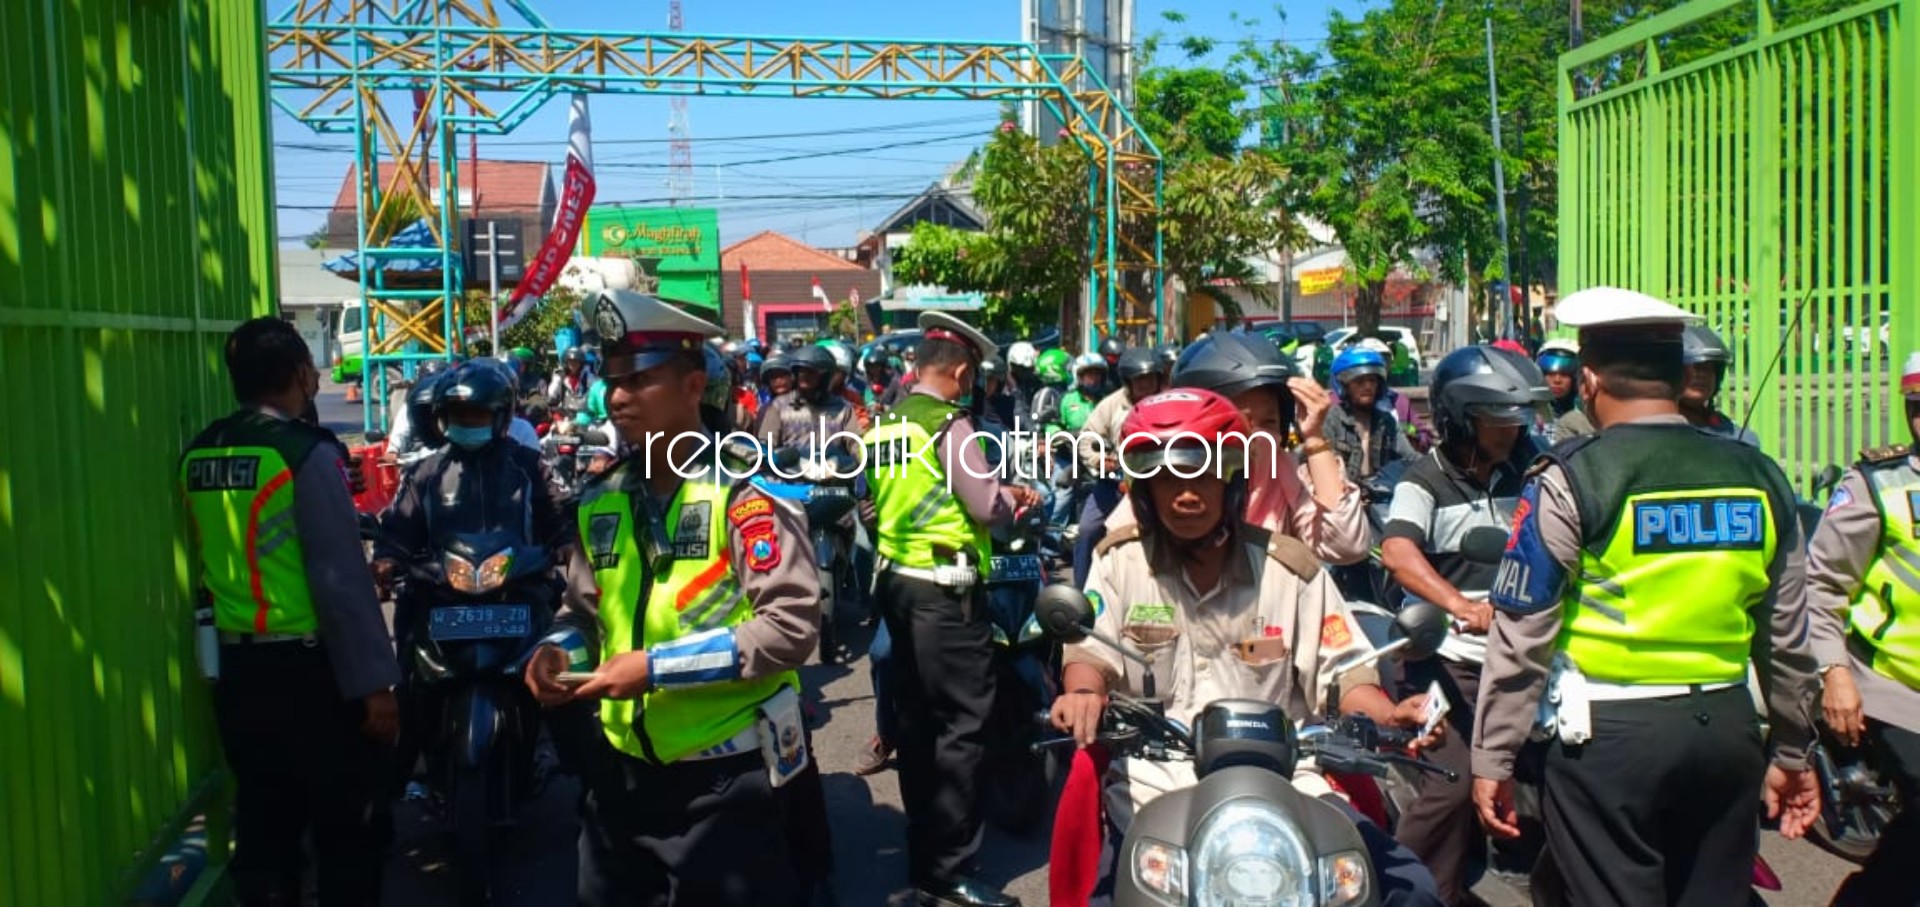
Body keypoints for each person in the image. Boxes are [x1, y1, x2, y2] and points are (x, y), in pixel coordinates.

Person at [1471, 286, 1823, 907]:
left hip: (1609, 744)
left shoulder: (1572, 475)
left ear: (1588, 380)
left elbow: (1523, 632)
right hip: (1728, 734)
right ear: (1681, 376)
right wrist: (1794, 746)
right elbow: (1788, 635)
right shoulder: (1760, 474)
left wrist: (1492, 757)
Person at [1049, 388, 1443, 907]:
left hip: (1292, 780)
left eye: (1201, 475)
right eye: (1166, 479)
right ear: (1144, 490)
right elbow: (1089, 656)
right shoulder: (1119, 562)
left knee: (1409, 889)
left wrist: (1392, 715)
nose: (1185, 495)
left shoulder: (1291, 570)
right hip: (1158, 782)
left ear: (1232, 481)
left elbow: (1347, 673)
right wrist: (1082, 694)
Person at [522, 289, 822, 906]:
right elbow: (581, 609)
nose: (619, 396)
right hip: (619, 775)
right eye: (612, 381)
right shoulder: (602, 497)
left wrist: (655, 669)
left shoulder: (745, 492)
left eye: (639, 379)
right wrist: (555, 650)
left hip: (724, 782)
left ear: (692, 386)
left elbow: (791, 628)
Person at [179, 317, 397, 906]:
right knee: (348, 829)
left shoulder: (201, 451)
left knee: (264, 827)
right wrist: (375, 684)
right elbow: (340, 580)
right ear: (301, 374)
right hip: (309, 675)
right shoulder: (302, 455)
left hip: (235, 670)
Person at [861, 312, 1043, 907]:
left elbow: (891, 500)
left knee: (916, 725)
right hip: (947, 593)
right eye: (970, 376)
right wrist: (1016, 498)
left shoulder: (886, 426)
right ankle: (955, 869)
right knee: (962, 729)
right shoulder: (949, 426)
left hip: (897, 588)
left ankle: (925, 855)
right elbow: (986, 507)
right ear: (961, 371)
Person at [1378, 344, 1546, 906]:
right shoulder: (1424, 480)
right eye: (1498, 419)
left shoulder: (1533, 472)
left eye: (1517, 418)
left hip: (1527, 660)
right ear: (1459, 418)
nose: (1510, 431)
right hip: (1446, 663)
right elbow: (1399, 551)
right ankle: (1409, 891)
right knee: (1449, 787)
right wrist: (1459, 604)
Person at [1806, 351, 1920, 907]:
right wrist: (1836, 675)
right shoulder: (1881, 483)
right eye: (1917, 407)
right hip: (1895, 689)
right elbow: (1822, 585)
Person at [1166, 331, 1371, 564]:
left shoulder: (1284, 475)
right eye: (1240, 424)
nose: (1257, 438)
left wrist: (1314, 437)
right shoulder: (1164, 482)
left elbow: (1347, 545)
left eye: (1269, 423)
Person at [1072, 346, 1165, 586]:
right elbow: (1087, 437)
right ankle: (1081, 593)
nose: (1145, 386)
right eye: (1139, 381)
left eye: (1150, 379)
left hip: (1158, 484)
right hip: (1114, 484)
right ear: (1128, 382)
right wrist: (1098, 461)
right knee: (1087, 531)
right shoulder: (1111, 405)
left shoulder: (1168, 402)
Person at [1324, 346, 1419, 488]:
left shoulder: (1386, 421)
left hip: (1380, 495)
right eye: (1359, 382)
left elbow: (1410, 457)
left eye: (1372, 381)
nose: (1367, 386)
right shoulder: (1332, 419)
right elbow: (1325, 467)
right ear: (1344, 386)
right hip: (1342, 497)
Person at [1678, 324, 1761, 447]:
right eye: (1693, 368)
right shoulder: (1657, 430)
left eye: (1707, 368)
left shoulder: (1734, 434)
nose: (1700, 375)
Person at [1537, 339, 1593, 441]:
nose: (1557, 380)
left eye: (1565, 374)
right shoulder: (1530, 417)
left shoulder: (1588, 418)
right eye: (1550, 374)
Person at [547, 346, 597, 416]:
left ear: (581, 363)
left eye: (576, 361)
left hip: (585, 415)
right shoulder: (560, 377)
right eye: (570, 361)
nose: (573, 364)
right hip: (565, 414)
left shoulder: (588, 377)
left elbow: (596, 391)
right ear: (566, 363)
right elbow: (552, 397)